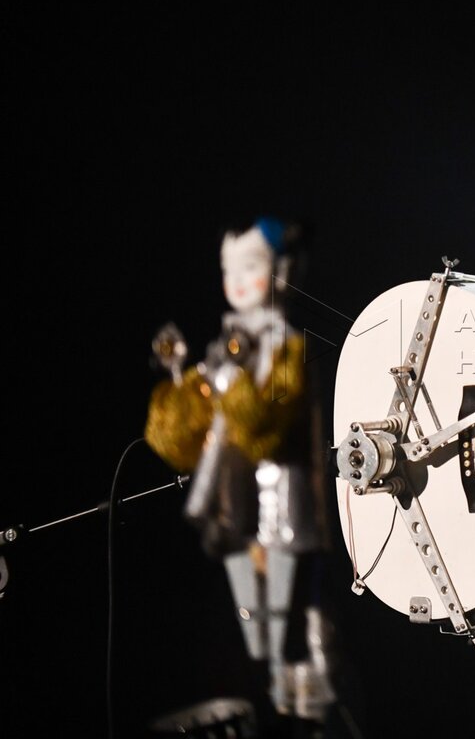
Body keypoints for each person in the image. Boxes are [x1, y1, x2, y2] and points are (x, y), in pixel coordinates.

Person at [144, 217, 339, 732]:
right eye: (228, 269)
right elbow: (181, 441)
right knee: (254, 634)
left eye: (249, 267)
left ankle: (306, 711)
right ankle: (275, 701)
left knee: (294, 629)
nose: (236, 281)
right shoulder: (224, 349)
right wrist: (184, 391)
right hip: (236, 512)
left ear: (281, 272)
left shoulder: (287, 346)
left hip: (286, 515)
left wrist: (228, 385)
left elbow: (264, 425)